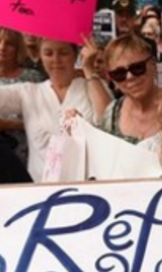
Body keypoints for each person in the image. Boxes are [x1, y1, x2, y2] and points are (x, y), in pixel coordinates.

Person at [0, 39, 112, 182]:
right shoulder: (29, 92)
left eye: (63, 53)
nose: (56, 60)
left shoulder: (92, 85)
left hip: (88, 185)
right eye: (48, 53)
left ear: (75, 55)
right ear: (40, 56)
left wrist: (89, 70)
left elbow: (110, 120)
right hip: (40, 189)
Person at [100, 34, 162, 151]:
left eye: (137, 68)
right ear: (113, 80)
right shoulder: (112, 113)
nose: (130, 77)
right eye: (119, 74)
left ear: (153, 66)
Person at [0, 28, 46, 164]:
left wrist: (11, 124)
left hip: (29, 152)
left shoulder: (33, 78)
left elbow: (46, 116)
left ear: (18, 48)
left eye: (9, 43)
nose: (2, 47)